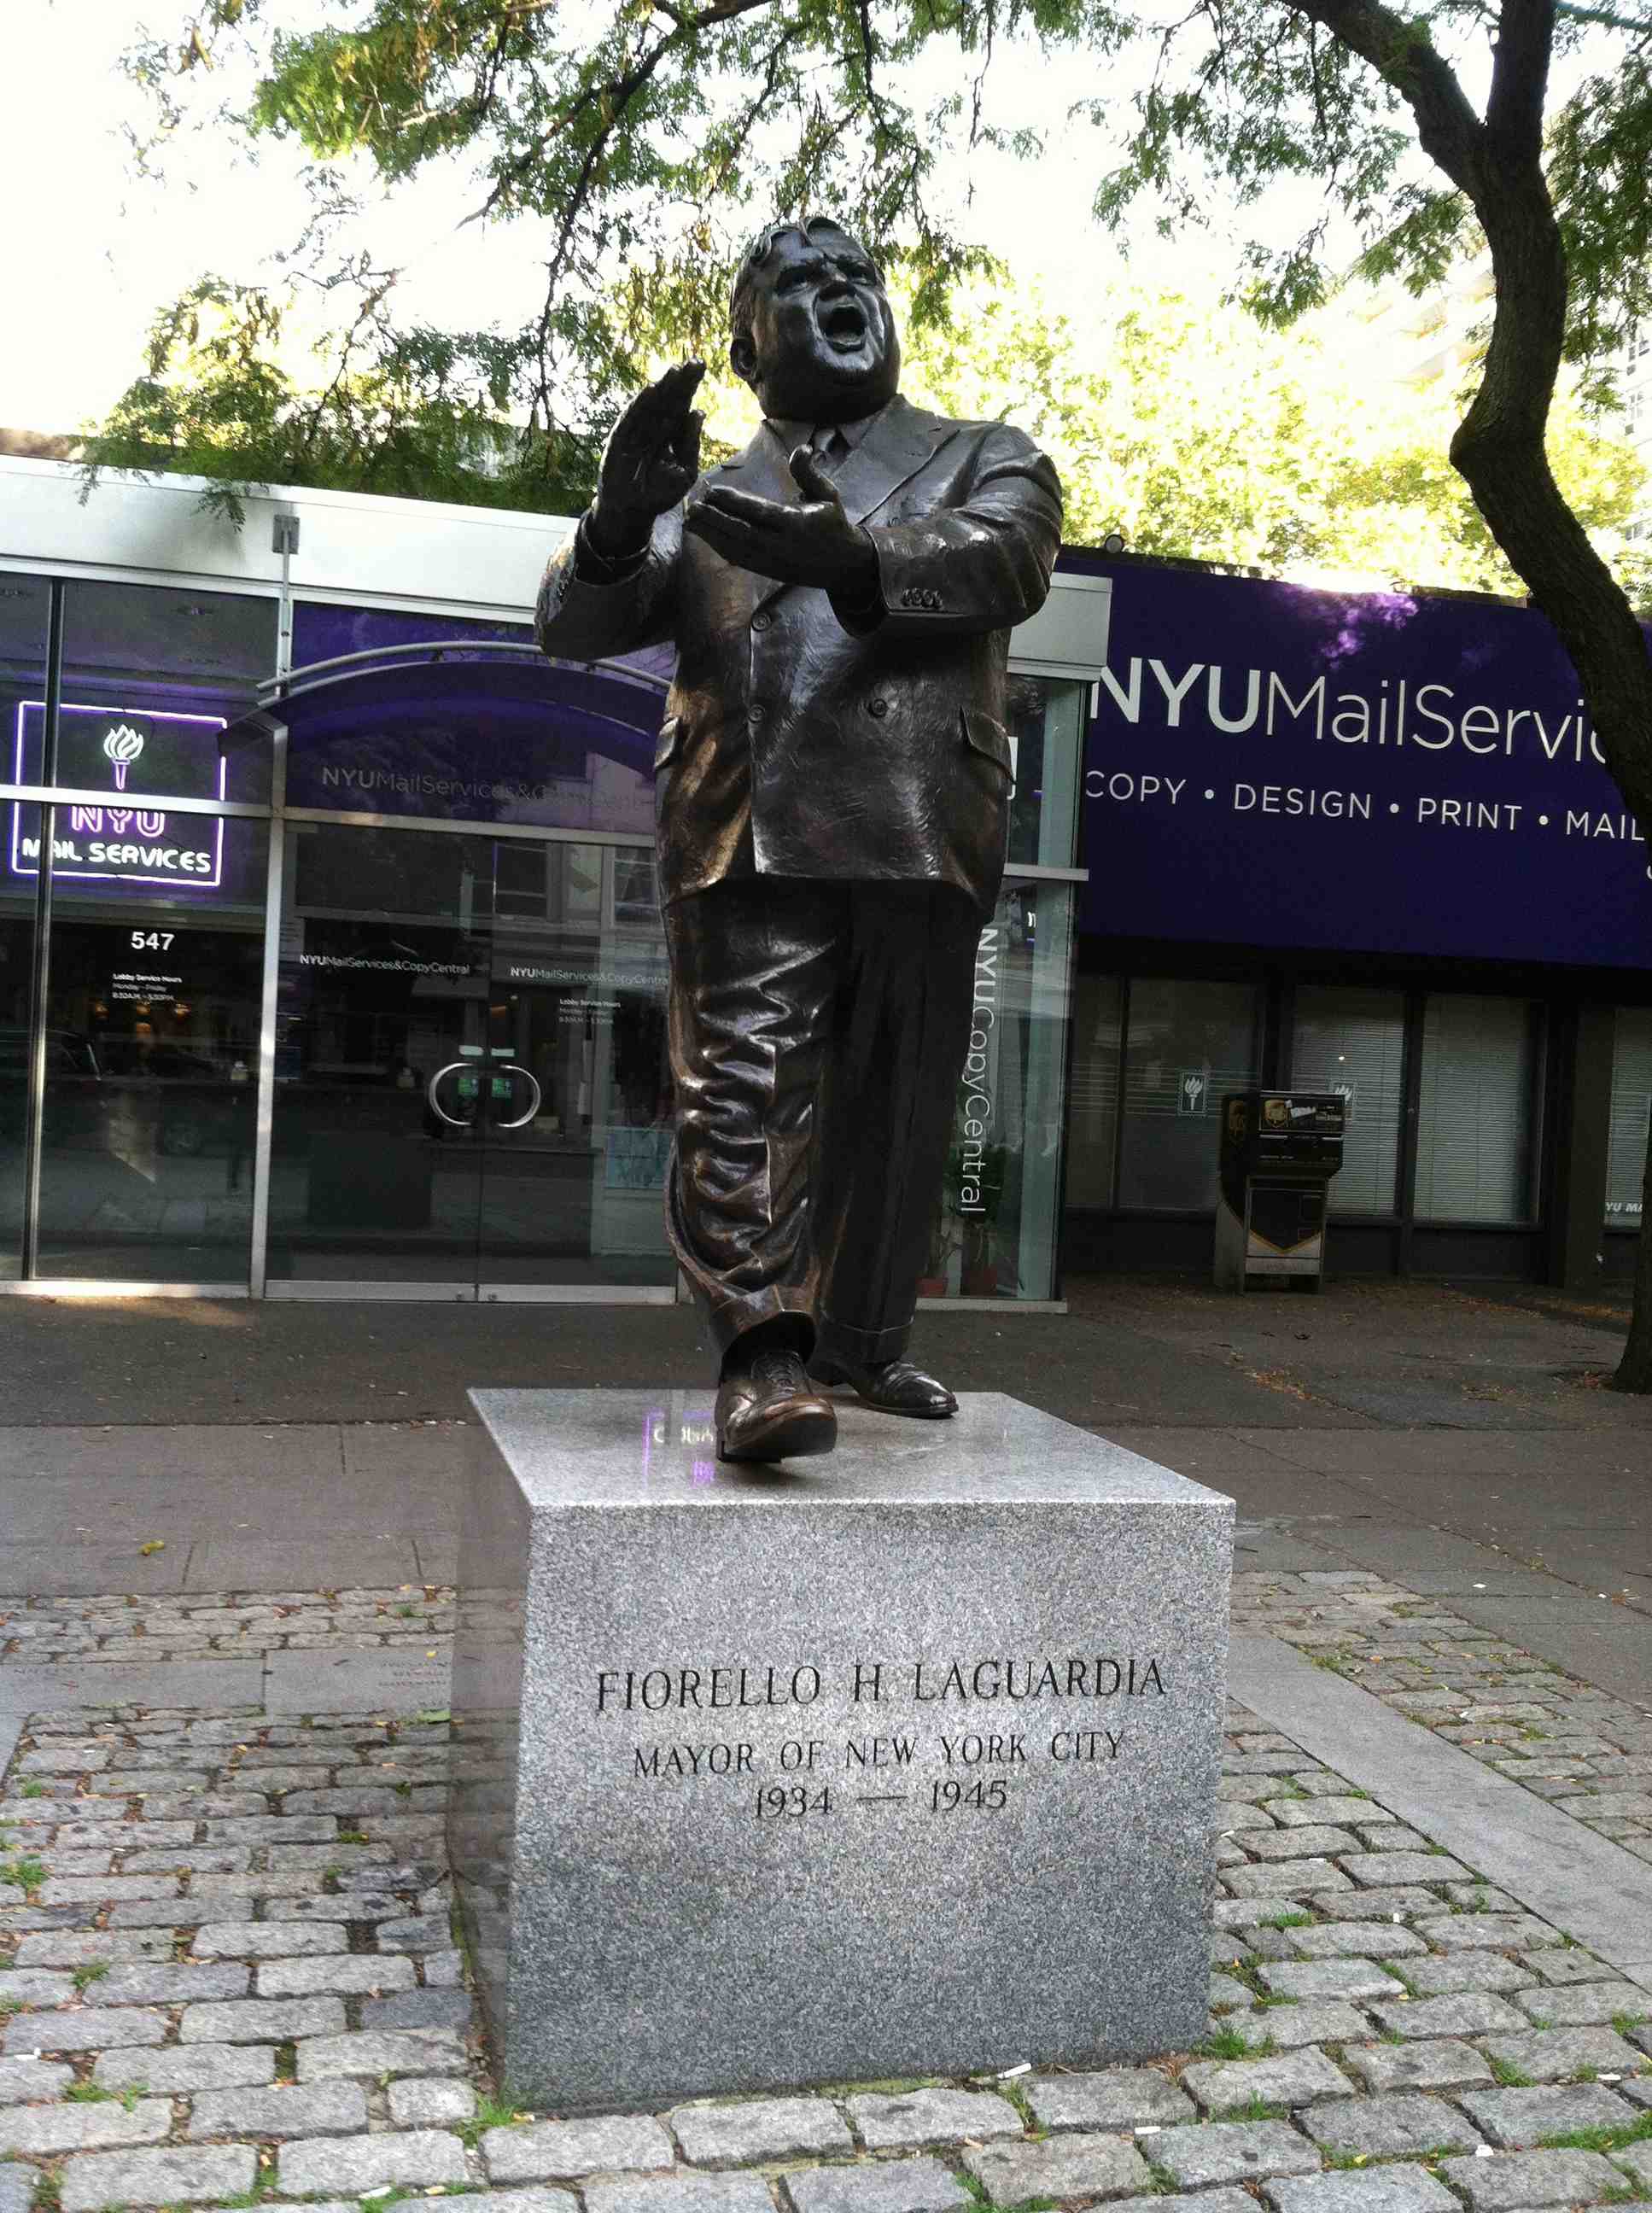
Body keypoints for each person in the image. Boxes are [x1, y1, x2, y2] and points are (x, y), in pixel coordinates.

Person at [536, 215, 1062, 1463]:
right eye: (802, 282)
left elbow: (1012, 560)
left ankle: (862, 1341)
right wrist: (615, 521)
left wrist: (862, 557)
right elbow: (570, 624)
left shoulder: (981, 454)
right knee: (744, 1089)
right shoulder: (707, 496)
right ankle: (762, 1355)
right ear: (746, 346)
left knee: (900, 1100)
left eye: (857, 276)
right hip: (748, 823)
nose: (841, 292)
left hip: (920, 816)